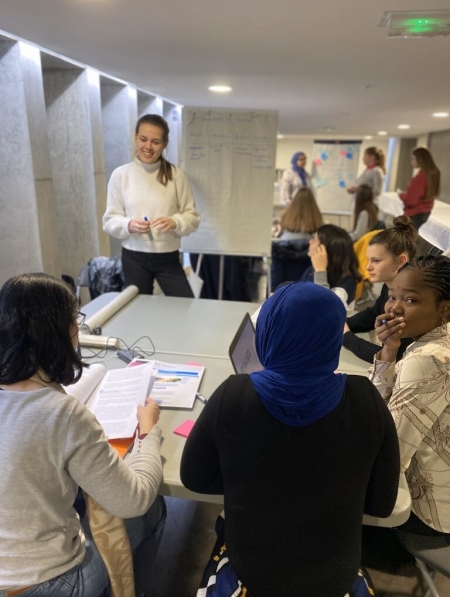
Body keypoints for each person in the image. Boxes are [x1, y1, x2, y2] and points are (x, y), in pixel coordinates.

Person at [180, 282, 400, 597]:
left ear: (267, 334)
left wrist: (249, 482)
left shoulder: (233, 394)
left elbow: (194, 478)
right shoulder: (366, 399)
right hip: (335, 578)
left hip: (251, 574)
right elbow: (381, 504)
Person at [0, 273, 166, 596]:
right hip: (48, 584)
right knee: (153, 508)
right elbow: (136, 498)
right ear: (60, 335)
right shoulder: (64, 415)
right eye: (74, 321)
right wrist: (148, 432)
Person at [368, 255, 450, 537]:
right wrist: (389, 349)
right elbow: (378, 407)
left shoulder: (429, 359)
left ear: (445, 309)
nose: (395, 309)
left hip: (427, 515)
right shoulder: (433, 343)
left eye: (411, 300)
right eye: (392, 297)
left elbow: (389, 455)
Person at [103, 113, 200, 297]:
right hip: (133, 257)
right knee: (138, 310)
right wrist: (128, 225)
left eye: (155, 141)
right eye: (143, 139)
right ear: (135, 138)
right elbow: (109, 220)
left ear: (165, 144)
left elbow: (193, 217)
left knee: (185, 305)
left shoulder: (176, 175)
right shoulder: (121, 175)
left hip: (168, 257)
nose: (148, 147)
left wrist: (175, 222)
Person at [343, 216, 418, 363]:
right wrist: (342, 324)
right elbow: (375, 313)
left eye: (376, 260)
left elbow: (393, 356)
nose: (368, 267)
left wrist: (346, 337)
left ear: (401, 261)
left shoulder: (411, 301)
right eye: (368, 259)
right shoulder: (390, 285)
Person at [299, 223, 361, 307]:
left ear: (324, 250)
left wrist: (320, 272)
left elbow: (325, 308)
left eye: (314, 239)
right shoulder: (310, 271)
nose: (310, 242)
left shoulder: (346, 281)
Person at [398, 146, 441, 230]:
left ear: (420, 159)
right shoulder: (433, 173)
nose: (411, 162)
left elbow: (411, 200)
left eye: (413, 159)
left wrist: (401, 195)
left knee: (406, 240)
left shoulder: (421, 177)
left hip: (415, 212)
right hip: (425, 211)